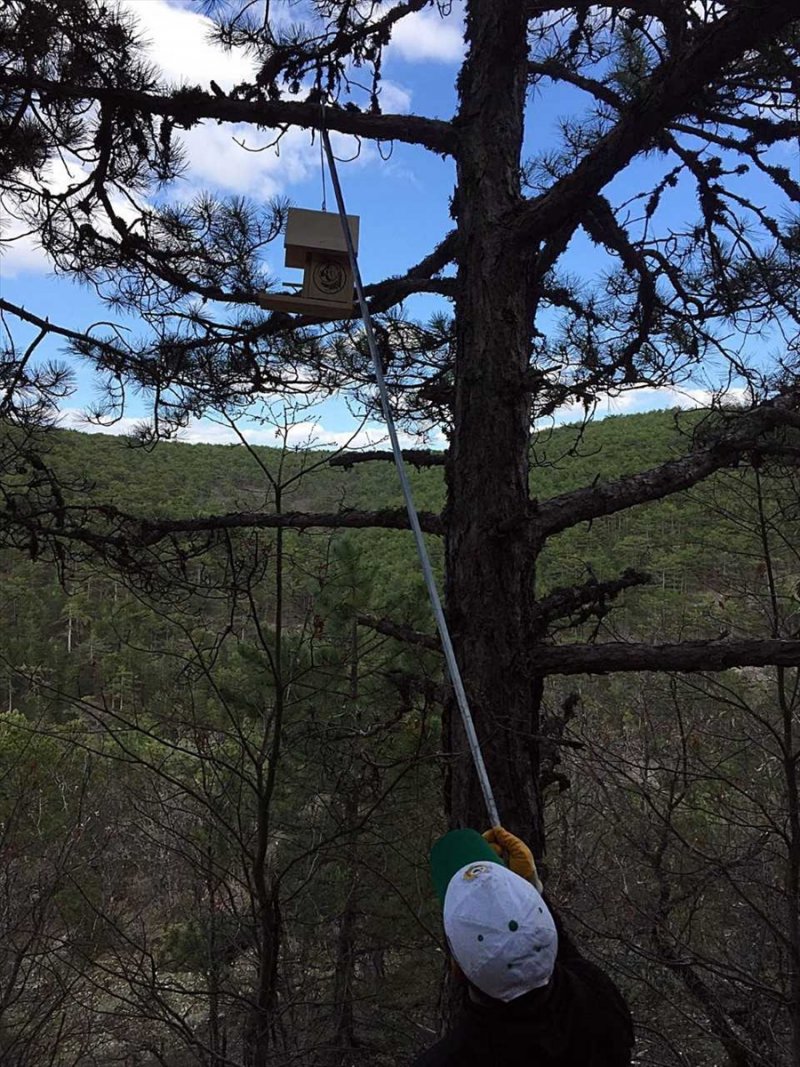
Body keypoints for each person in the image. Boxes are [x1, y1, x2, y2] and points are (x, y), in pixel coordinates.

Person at [414, 826, 634, 1066]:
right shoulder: (598, 1002)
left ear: (457, 966)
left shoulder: (451, 1058)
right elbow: (566, 959)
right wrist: (531, 886)